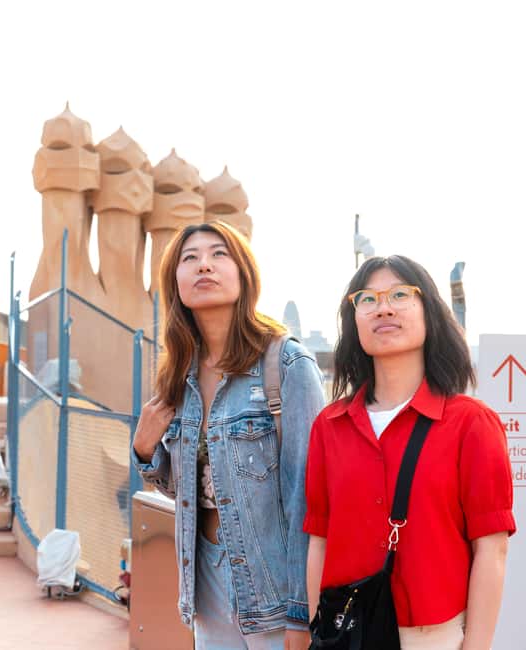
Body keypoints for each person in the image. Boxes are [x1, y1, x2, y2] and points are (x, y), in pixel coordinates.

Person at [305, 255, 515, 650]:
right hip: (346, 633)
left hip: (433, 637)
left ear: (429, 311)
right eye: (367, 299)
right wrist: (321, 631)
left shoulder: (471, 423)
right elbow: (319, 539)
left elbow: (491, 547)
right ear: (354, 321)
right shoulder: (328, 426)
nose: (383, 307)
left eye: (400, 295)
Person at [133, 222, 326, 650]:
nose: (204, 265)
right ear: (175, 282)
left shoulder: (287, 364)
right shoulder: (179, 375)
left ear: (244, 273)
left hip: (274, 588)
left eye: (219, 254)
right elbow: (191, 491)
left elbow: (309, 495)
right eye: (190, 258)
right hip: (205, 583)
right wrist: (146, 451)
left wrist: (301, 611)